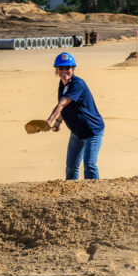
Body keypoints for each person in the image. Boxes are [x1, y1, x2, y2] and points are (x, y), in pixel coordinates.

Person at [44, 52, 104, 180]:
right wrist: (59, 122)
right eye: (61, 68)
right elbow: (66, 107)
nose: (64, 71)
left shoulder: (78, 84)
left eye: (68, 68)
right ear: (57, 70)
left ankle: (94, 193)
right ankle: (71, 194)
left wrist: (49, 121)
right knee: (71, 166)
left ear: (73, 69)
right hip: (76, 132)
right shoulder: (63, 84)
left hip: (92, 131)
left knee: (89, 165)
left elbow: (61, 104)